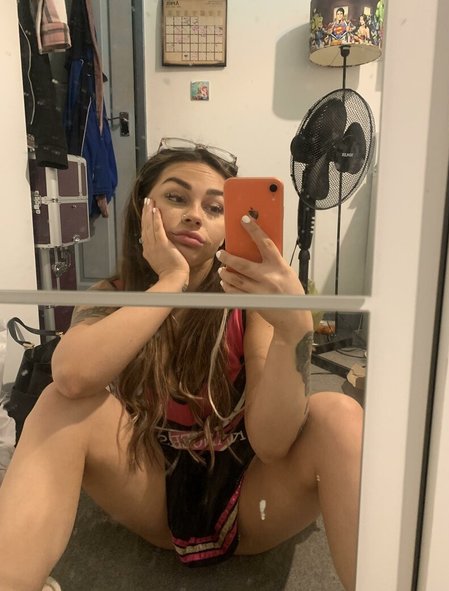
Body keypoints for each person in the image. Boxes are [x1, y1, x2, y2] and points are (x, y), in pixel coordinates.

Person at [0, 138, 363, 591]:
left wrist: (294, 332)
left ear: (228, 227)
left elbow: (272, 445)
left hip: (251, 499)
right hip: (152, 489)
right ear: (143, 209)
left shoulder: (248, 306)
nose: (195, 215)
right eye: (176, 198)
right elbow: (72, 377)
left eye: (215, 208)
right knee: (61, 405)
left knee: (339, 414)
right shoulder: (113, 295)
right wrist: (170, 282)